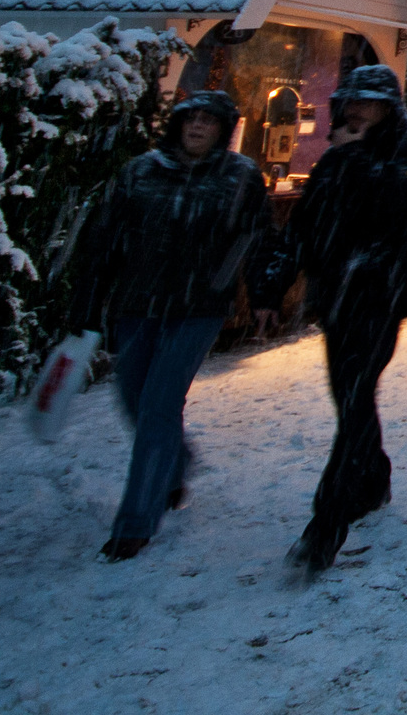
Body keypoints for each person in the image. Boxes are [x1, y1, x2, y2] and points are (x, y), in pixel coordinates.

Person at [251, 64, 407, 575]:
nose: (357, 111)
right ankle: (375, 476)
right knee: (351, 402)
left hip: (378, 298)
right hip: (334, 297)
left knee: (355, 399)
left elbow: (399, 212)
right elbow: (306, 223)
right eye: (352, 102)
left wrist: (352, 153)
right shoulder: (336, 158)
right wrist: (271, 288)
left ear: (388, 107)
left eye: (368, 103)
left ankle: (325, 526)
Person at [68, 89, 268, 562]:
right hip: (137, 304)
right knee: (133, 398)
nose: (197, 127)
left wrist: (262, 296)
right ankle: (174, 462)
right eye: (190, 119)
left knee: (159, 404)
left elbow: (257, 241)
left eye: (208, 121)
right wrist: (88, 300)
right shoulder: (139, 173)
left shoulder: (239, 178)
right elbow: (104, 241)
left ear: (223, 130)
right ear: (177, 124)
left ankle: (135, 522)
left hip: (199, 308)